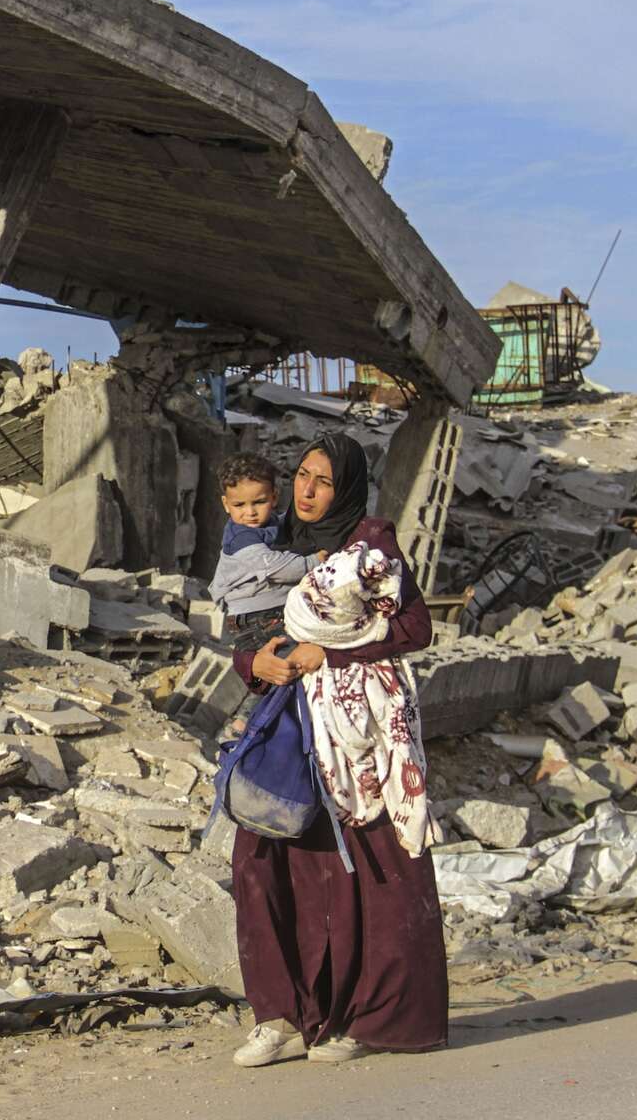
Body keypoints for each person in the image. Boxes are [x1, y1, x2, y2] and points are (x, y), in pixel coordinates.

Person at [227, 432, 446, 1069]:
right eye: (302, 475)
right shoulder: (273, 546)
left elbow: (415, 627)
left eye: (323, 481)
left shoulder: (368, 548)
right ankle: (278, 1015)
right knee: (261, 859)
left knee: (369, 871)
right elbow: (246, 630)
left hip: (356, 733)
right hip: (286, 727)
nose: (308, 490)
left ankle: (371, 1020)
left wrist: (331, 652)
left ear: (346, 488)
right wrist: (254, 664)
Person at [209, 452, 326, 658]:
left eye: (259, 502)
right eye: (239, 505)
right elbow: (276, 568)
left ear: (274, 497)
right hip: (255, 617)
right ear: (226, 504)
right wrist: (314, 561)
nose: (250, 513)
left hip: (266, 610)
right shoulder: (241, 538)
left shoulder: (267, 522)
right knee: (293, 656)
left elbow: (281, 524)